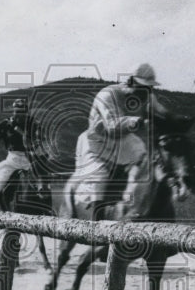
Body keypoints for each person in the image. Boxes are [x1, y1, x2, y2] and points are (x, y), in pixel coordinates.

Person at [73, 63, 175, 219]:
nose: (147, 93)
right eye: (143, 88)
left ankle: (133, 203)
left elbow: (161, 111)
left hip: (123, 139)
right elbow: (112, 126)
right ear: (132, 83)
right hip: (98, 142)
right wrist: (137, 121)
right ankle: (96, 224)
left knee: (144, 158)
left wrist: (175, 120)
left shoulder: (146, 95)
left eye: (149, 88)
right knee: (98, 178)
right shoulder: (108, 95)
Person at [0, 97, 41, 210]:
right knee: (2, 179)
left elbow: (38, 140)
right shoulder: (6, 124)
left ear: (27, 112)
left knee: (43, 182)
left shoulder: (34, 123)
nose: (18, 114)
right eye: (16, 111)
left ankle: (48, 209)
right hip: (12, 159)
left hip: (31, 158)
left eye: (22, 112)